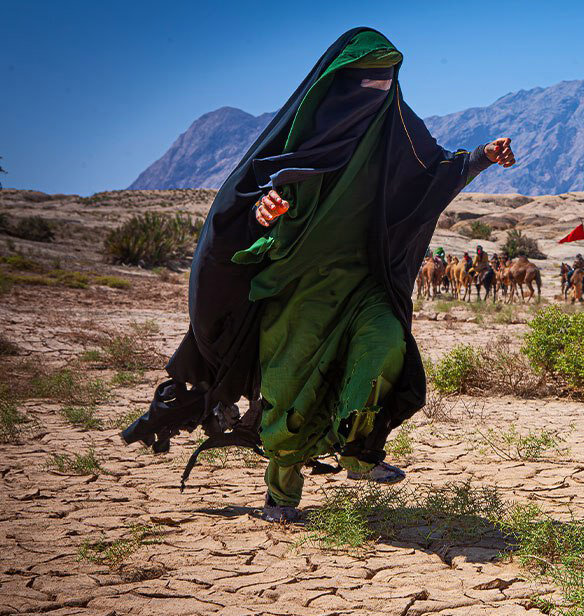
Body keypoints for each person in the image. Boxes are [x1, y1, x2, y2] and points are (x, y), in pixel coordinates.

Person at [122, 28, 515, 522]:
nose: (378, 90)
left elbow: (432, 173)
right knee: (290, 391)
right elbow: (247, 204)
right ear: (337, 83)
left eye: (388, 80)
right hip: (298, 288)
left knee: (385, 346)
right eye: (366, 79)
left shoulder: (395, 128)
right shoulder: (302, 136)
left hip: (365, 283)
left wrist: (481, 156)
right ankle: (281, 494)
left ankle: (357, 450)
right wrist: (263, 214)